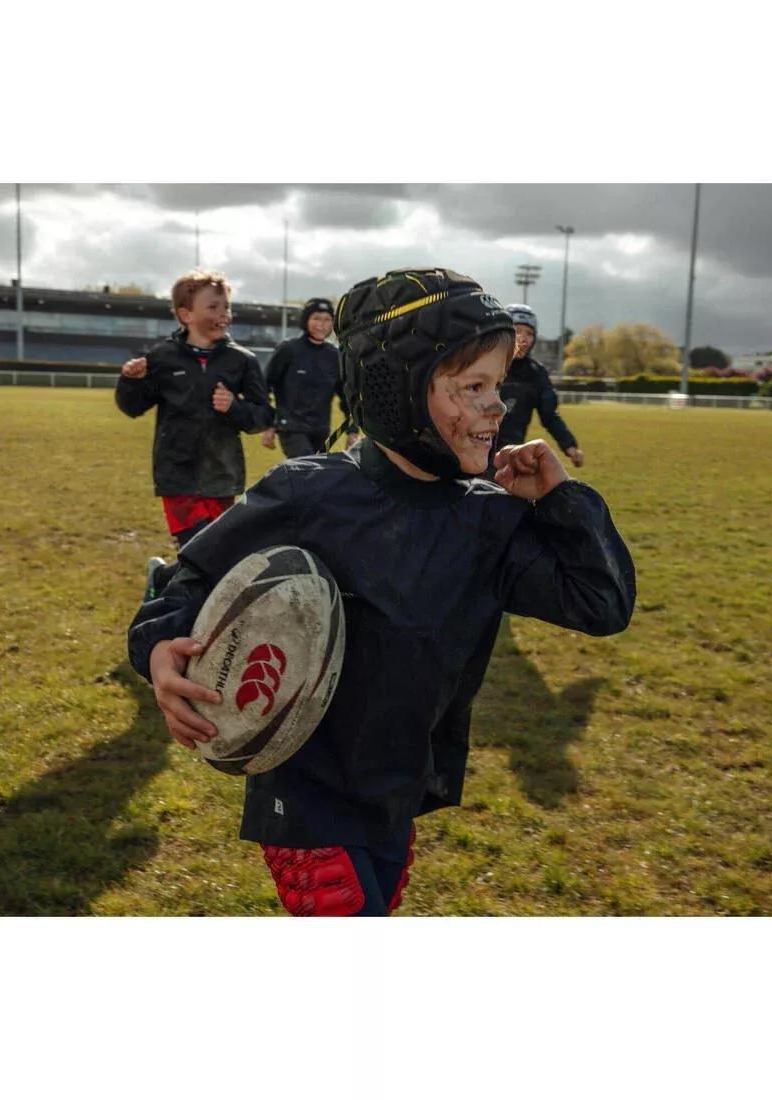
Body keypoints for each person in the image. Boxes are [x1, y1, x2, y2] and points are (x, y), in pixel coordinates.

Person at [127, 268, 635, 916]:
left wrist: (563, 502)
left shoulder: (489, 520)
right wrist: (158, 651)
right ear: (398, 386)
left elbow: (601, 603)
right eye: (473, 387)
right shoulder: (306, 493)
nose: (496, 407)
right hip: (307, 800)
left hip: (400, 789)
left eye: (498, 387)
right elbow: (184, 584)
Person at [116, 270, 273, 553]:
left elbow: (262, 416)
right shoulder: (162, 357)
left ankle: (162, 579)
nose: (223, 314)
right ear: (186, 315)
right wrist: (130, 381)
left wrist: (234, 407)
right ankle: (172, 588)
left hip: (222, 475)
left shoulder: (242, 361)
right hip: (177, 475)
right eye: (213, 307)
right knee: (197, 548)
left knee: (218, 552)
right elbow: (133, 407)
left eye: (226, 307)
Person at [261, 297, 357, 458]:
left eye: (327, 320)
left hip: (320, 430)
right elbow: (264, 387)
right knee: (307, 470)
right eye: (316, 318)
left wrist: (352, 431)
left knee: (316, 476)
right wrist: (268, 424)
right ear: (306, 320)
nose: (322, 324)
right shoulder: (288, 350)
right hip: (292, 428)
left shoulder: (335, 356)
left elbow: (347, 396)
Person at [496, 303, 585, 467]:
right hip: (470, 455)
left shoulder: (536, 373)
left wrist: (570, 446)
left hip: (507, 460)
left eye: (529, 333)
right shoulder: (484, 365)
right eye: (516, 331)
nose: (523, 338)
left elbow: (549, 415)